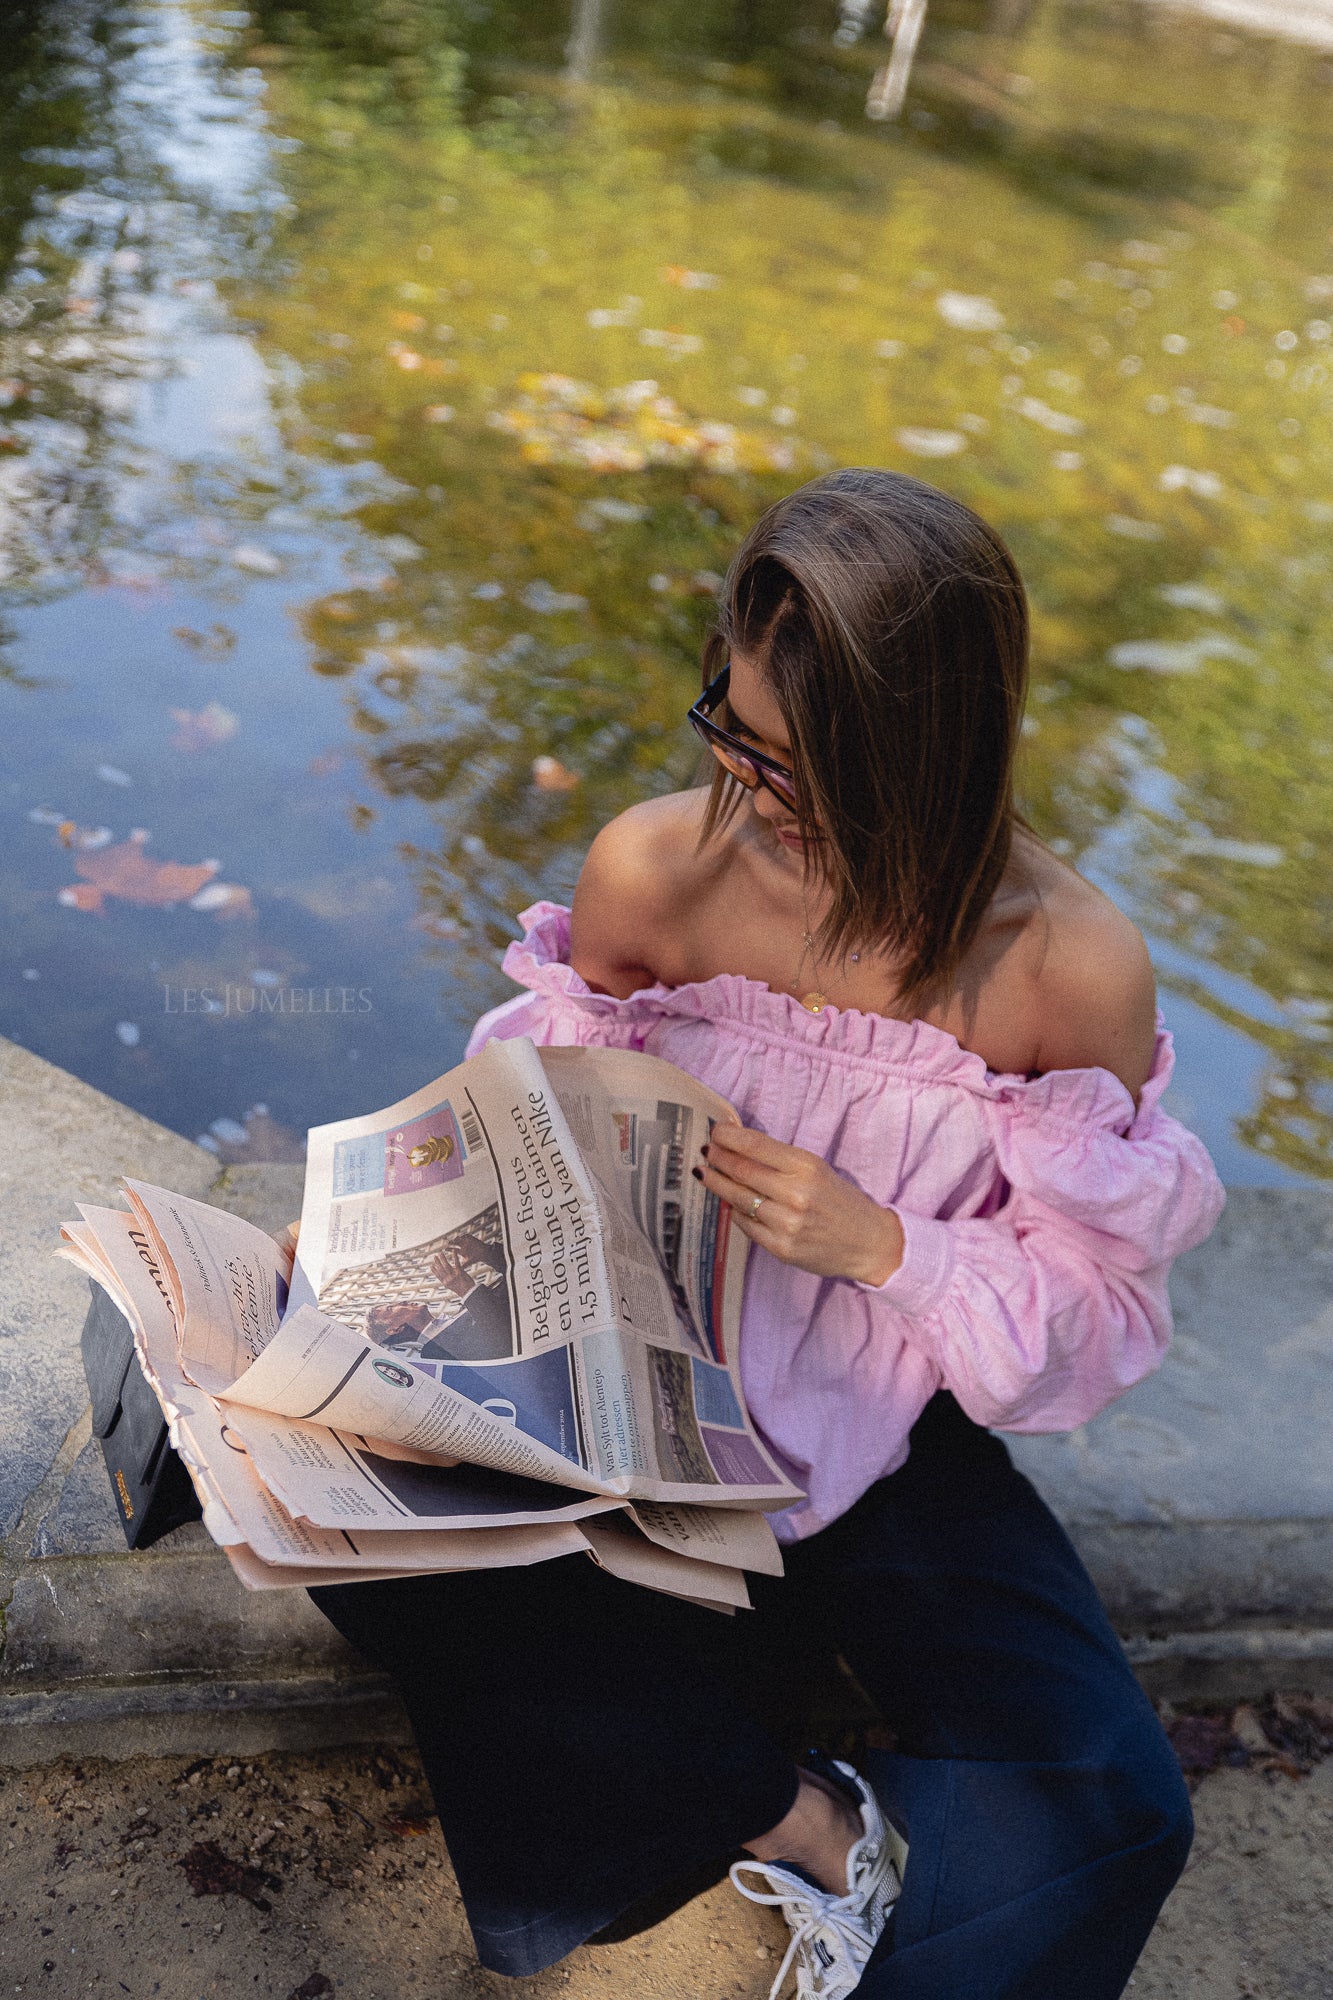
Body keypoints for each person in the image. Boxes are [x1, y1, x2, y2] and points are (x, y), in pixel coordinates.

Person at [311, 468, 1224, 1999]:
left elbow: (1098, 1318)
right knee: (342, 1512)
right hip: (635, 1398)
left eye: (801, 760)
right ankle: (798, 1818)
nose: (751, 782)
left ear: (926, 749)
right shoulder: (657, 868)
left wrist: (889, 1249)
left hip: (878, 1431)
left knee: (1115, 1800)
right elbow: (517, 1125)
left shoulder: (1064, 964)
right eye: (731, 728)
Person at [364, 1234, 514, 1362]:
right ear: (394, 1329)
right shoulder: (437, 1354)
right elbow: (508, 1344)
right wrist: (466, 1290)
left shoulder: (463, 1311)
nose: (402, 1301)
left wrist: (487, 1253)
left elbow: (513, 1289)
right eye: (390, 1308)